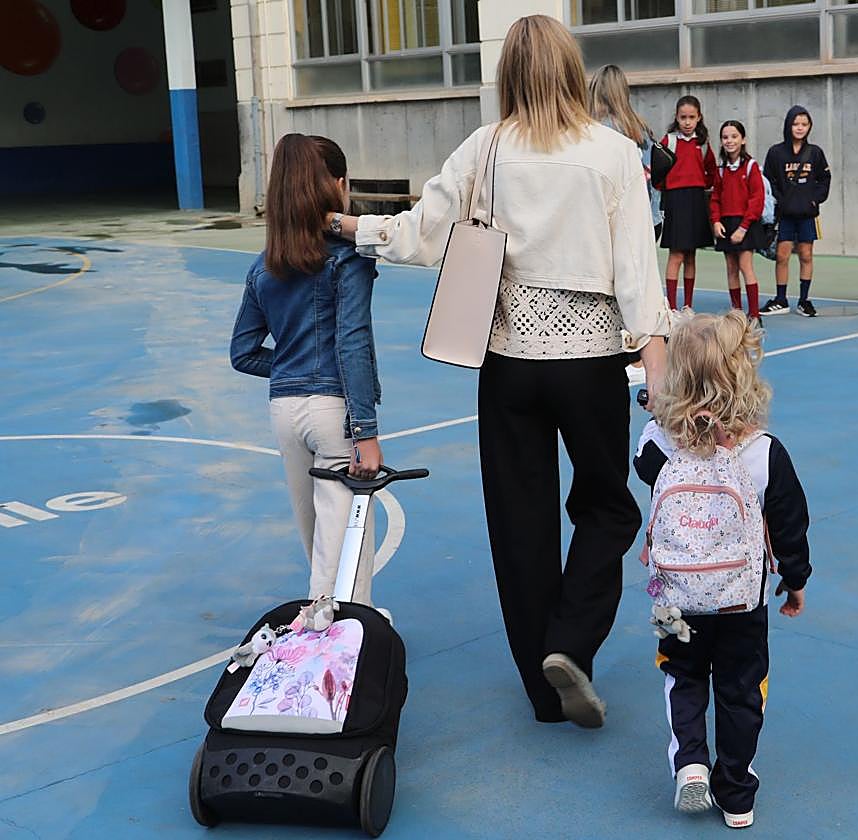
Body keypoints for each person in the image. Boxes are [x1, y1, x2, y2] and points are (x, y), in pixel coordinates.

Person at [327, 15, 670, 728]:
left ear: (507, 73)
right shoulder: (612, 153)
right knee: (608, 507)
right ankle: (573, 642)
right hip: (590, 360)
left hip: (509, 362)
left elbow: (421, 231)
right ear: (572, 70)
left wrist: (350, 227)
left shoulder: (485, 149)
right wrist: (657, 365)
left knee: (520, 523)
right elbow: (638, 269)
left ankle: (543, 691)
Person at [632, 309, 811, 829]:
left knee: (680, 674)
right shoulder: (764, 453)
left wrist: (658, 413)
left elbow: (642, 467)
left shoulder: (659, 443)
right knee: (740, 688)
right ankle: (736, 791)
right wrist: (794, 579)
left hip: (671, 595)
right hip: (742, 599)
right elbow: (790, 522)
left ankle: (690, 762)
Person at [230, 134, 382, 605]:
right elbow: (352, 343)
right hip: (334, 412)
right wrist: (366, 431)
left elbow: (243, 352)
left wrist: (294, 365)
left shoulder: (264, 265)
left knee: (315, 535)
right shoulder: (347, 259)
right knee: (345, 544)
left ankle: (333, 631)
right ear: (338, 185)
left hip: (285, 411)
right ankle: (344, 638)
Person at [588, 63, 662, 385]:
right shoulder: (640, 128)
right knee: (641, 285)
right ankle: (645, 353)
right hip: (649, 216)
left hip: (614, 221)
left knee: (614, 289)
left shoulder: (598, 131)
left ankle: (628, 355)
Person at [761, 105, 831, 317]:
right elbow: (769, 181)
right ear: (788, 125)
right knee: (782, 255)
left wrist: (814, 200)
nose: (800, 128)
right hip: (785, 215)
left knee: (806, 255)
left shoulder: (815, 153)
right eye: (796, 123)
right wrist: (779, 202)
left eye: (804, 124)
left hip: (807, 215)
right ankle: (781, 299)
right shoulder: (775, 153)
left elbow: (825, 179)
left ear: (809, 126)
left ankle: (804, 300)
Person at [659, 95, 718, 310]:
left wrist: (703, 187)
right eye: (683, 117)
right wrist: (665, 191)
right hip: (676, 200)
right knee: (676, 254)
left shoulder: (702, 144)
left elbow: (712, 171)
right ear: (676, 117)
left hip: (696, 200)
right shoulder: (669, 141)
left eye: (691, 117)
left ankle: (687, 306)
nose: (687, 122)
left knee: (691, 255)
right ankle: (672, 307)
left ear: (699, 118)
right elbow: (657, 170)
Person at [710, 120, 767, 324]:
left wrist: (743, 228)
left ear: (743, 140)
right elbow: (715, 197)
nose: (729, 141)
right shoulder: (721, 169)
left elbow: (757, 199)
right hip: (727, 223)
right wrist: (716, 221)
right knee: (731, 268)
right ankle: (737, 314)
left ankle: (754, 315)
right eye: (725, 137)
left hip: (745, 224)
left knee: (745, 266)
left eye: (734, 136)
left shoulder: (751, 166)